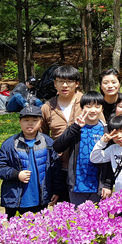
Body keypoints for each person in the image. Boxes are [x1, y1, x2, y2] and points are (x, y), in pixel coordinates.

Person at [0, 105, 63, 219]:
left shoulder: (48, 142)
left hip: (40, 199)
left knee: (39, 228)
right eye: (26, 120)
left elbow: (55, 168)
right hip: (15, 200)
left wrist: (57, 190)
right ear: (20, 122)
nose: (30, 123)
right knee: (16, 229)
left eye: (34, 120)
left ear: (41, 122)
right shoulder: (10, 144)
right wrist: (16, 174)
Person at [53, 91, 111, 207]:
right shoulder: (76, 128)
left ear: (102, 109)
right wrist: (75, 127)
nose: (93, 110)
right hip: (77, 185)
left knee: (99, 217)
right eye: (88, 106)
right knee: (78, 217)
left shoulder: (106, 130)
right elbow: (58, 147)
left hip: (98, 187)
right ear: (82, 108)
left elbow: (109, 160)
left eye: (97, 106)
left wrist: (107, 184)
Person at [41, 65, 85, 201]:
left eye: (69, 81)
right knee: (63, 209)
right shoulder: (47, 107)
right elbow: (43, 138)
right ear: (55, 83)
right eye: (60, 81)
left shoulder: (87, 103)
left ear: (76, 84)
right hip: (59, 168)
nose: (64, 85)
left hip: (84, 166)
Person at [90, 115, 122, 228]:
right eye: (115, 133)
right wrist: (103, 142)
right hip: (119, 200)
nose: (119, 136)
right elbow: (95, 158)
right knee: (120, 229)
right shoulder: (112, 149)